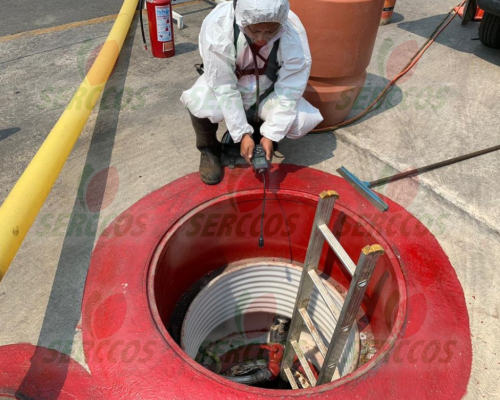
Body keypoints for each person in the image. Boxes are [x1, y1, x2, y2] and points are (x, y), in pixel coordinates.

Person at [180, 0, 323, 185]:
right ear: (242, 20)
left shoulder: (292, 29)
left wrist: (272, 133)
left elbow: (289, 90)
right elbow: (223, 85)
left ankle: (260, 134)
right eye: (255, 31)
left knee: (301, 120)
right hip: (232, 89)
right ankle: (209, 150)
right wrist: (241, 134)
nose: (262, 38)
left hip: (266, 92)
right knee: (198, 101)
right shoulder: (218, 25)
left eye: (270, 31)